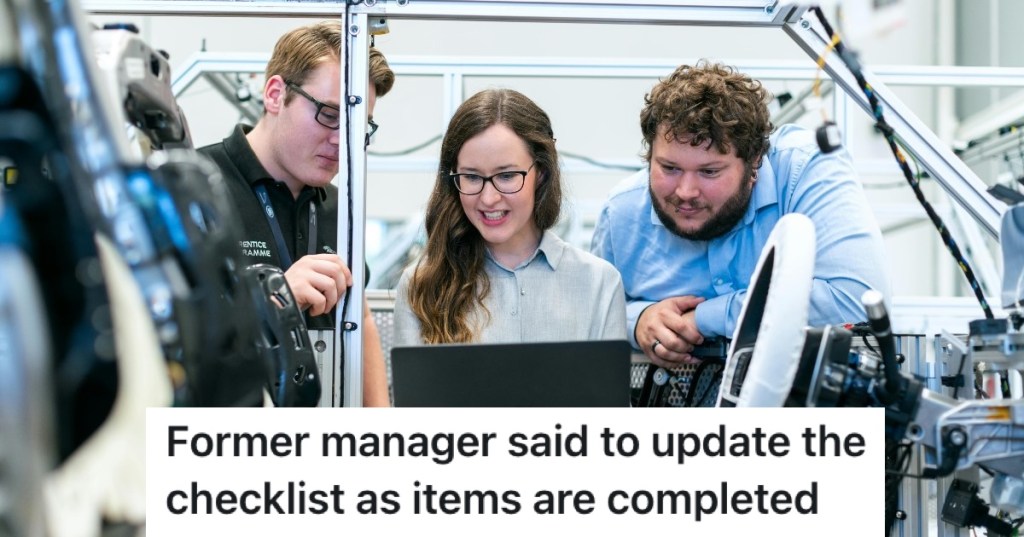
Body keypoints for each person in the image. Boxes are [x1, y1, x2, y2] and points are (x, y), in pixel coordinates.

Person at [591, 61, 890, 368]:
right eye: (669, 168)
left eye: (709, 171)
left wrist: (702, 319)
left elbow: (855, 299)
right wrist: (638, 320)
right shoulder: (621, 214)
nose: (685, 191)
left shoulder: (806, 170)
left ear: (755, 160)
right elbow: (592, 315)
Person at [199, 21, 392, 406]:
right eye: (329, 115)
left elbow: (362, 317)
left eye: (358, 126)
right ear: (275, 94)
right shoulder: (194, 188)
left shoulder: (341, 208)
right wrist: (274, 300)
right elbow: (160, 341)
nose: (342, 141)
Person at [393, 88, 625, 345]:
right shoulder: (421, 286)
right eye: (471, 177)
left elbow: (605, 386)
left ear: (542, 173)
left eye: (506, 176)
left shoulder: (599, 284)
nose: (489, 198)